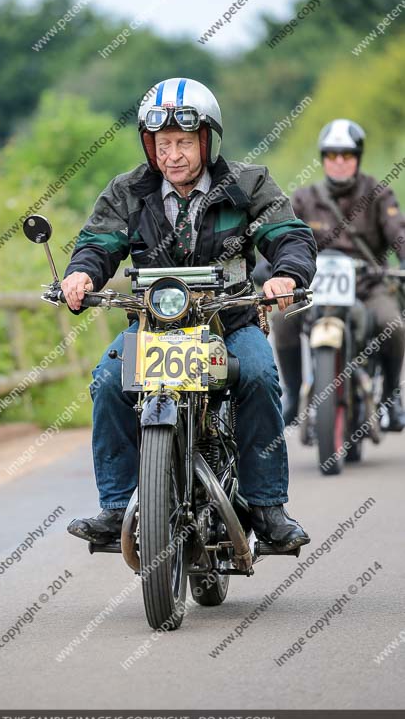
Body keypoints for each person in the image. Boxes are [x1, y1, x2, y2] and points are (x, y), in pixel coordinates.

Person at [62, 77, 316, 552]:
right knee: (107, 380)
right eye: (162, 144)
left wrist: (286, 274)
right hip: (153, 327)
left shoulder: (247, 184)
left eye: (182, 142)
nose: (172, 154)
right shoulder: (128, 191)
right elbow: (99, 243)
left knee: (260, 376)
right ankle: (117, 508)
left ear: (206, 140)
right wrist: (82, 274)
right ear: (149, 145)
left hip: (231, 322)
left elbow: (289, 235)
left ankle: (267, 509)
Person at [273, 119, 405, 429]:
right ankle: (292, 394)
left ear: (357, 158)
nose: (340, 162)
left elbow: (399, 232)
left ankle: (390, 396)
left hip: (367, 286)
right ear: (324, 159)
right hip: (315, 287)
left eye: (346, 155)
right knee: (281, 320)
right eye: (332, 156)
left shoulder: (378, 194)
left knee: (393, 325)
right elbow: (283, 238)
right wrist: (272, 271)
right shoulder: (305, 198)